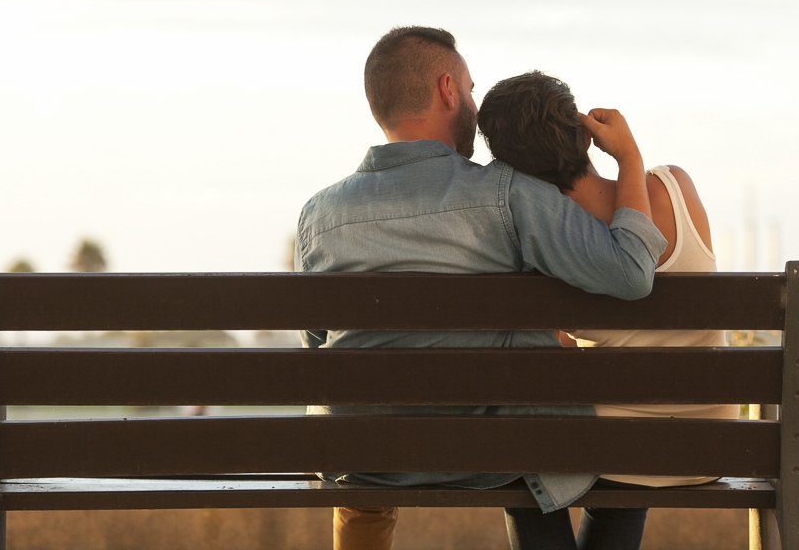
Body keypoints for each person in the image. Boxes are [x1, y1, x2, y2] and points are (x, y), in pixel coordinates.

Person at [296, 27, 667, 550]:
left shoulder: (319, 214)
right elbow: (630, 273)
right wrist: (630, 160)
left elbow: (318, 352)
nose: (472, 102)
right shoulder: (505, 193)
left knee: (359, 449)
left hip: (368, 457)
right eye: (470, 89)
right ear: (448, 90)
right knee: (528, 429)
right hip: (488, 457)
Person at [477, 70, 735, 488]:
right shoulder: (675, 188)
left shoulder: (547, 245)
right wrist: (629, 157)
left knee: (556, 436)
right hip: (711, 443)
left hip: (610, 449)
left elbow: (551, 353)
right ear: (583, 134)